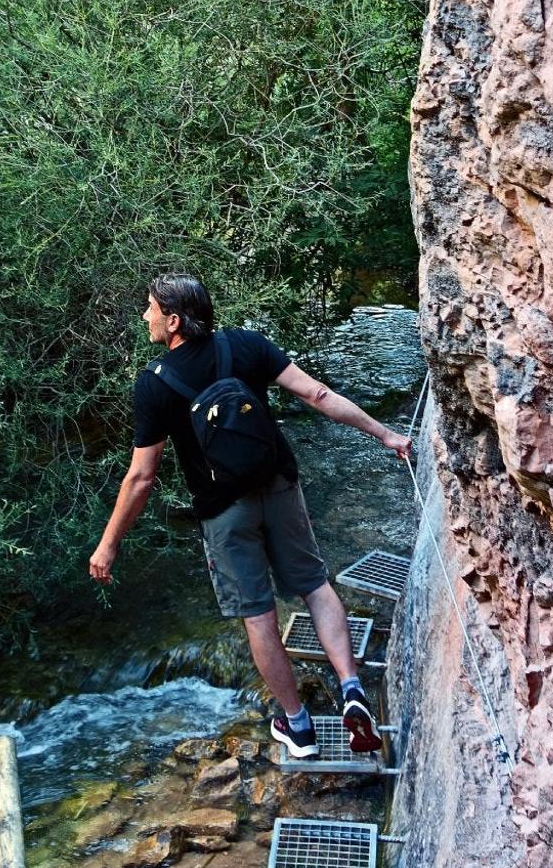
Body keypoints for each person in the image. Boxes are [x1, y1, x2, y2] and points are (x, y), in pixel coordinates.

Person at [88, 273, 412, 759]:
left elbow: (141, 478)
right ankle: (351, 688)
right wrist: (385, 434)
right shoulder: (245, 345)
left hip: (224, 511)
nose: (145, 315)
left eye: (151, 307)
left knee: (259, 616)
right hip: (278, 485)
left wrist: (109, 544)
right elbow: (318, 396)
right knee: (314, 585)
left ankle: (299, 727)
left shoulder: (153, 383)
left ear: (173, 321)